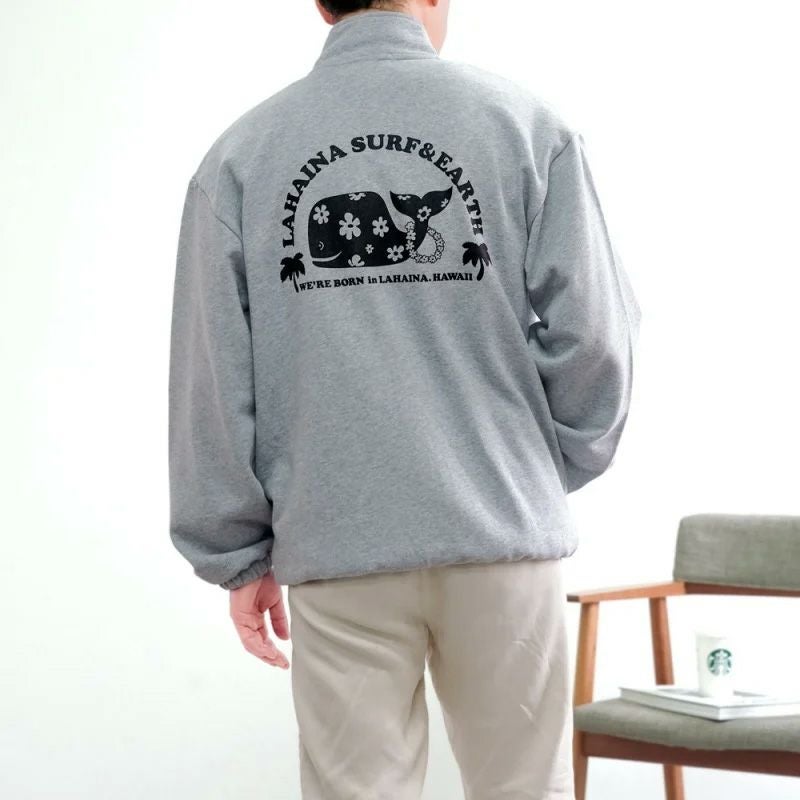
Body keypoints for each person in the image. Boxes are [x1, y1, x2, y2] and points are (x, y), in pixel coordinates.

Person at [168, 1, 642, 797]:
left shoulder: (242, 156)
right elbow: (596, 336)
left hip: (338, 538)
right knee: (525, 789)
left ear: (322, 3)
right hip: (501, 535)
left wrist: (235, 549)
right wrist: (527, 468)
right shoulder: (526, 127)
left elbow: (213, 376)